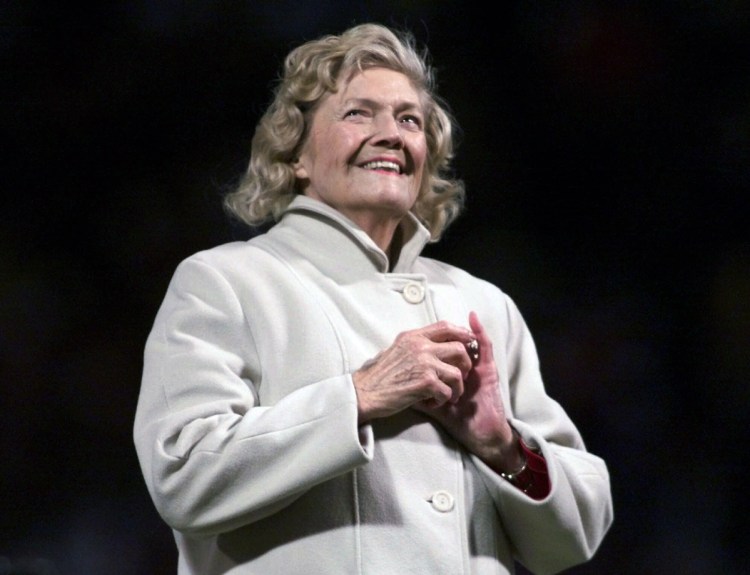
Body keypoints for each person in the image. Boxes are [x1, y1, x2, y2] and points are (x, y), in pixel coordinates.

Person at [133, 22, 613, 575]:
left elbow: (574, 539)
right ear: (295, 156)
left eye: (409, 119)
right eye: (358, 113)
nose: (392, 134)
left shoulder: (482, 303)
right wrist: (359, 396)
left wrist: (501, 445)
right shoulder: (226, 281)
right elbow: (184, 475)